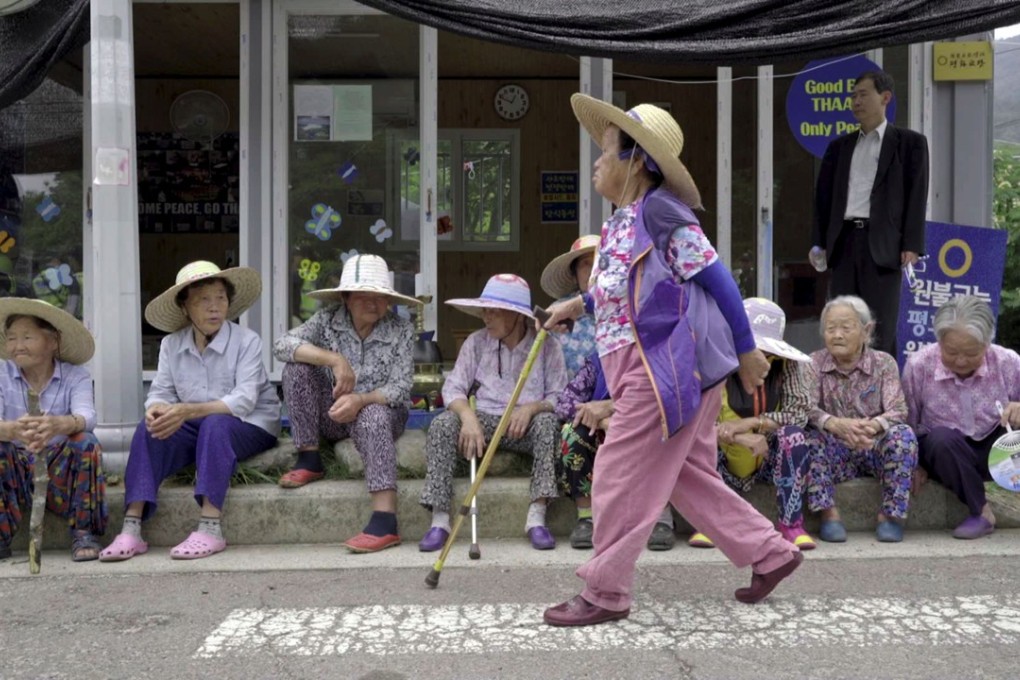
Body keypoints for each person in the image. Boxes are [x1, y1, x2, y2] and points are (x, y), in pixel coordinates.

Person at [542, 95, 801, 627]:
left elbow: (715, 276)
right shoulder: (622, 221)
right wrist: (579, 303)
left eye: (607, 149)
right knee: (683, 474)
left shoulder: (660, 210)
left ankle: (605, 592)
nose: (597, 160)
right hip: (646, 366)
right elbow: (619, 293)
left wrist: (748, 347)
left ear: (638, 160)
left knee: (616, 472)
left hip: (662, 369)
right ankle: (770, 553)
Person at [100, 261, 279, 562]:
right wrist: (157, 410)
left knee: (215, 424)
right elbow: (160, 393)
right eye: (203, 300)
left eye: (220, 298)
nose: (214, 307)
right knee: (149, 429)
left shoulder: (247, 341)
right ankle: (131, 527)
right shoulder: (172, 344)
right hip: (199, 425)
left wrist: (186, 411)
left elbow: (243, 402)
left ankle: (210, 528)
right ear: (185, 308)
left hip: (249, 425)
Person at [274, 254, 418, 553]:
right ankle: (309, 457)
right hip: (335, 412)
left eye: (379, 297)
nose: (373, 303)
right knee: (296, 369)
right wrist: (334, 359)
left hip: (381, 411)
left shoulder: (400, 329)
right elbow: (282, 345)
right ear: (345, 297)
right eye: (363, 296)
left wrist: (362, 399)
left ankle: (385, 519)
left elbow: (402, 387)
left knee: (374, 416)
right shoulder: (327, 319)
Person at [544, 235, 675, 551]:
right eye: (585, 265)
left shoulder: (648, 331)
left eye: (598, 264)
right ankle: (587, 516)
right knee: (573, 432)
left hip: (644, 414)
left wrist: (614, 409)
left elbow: (664, 390)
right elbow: (565, 400)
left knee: (661, 428)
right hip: (597, 421)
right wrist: (596, 415)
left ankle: (661, 515)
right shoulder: (589, 347)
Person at [418, 274, 566, 552]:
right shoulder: (476, 343)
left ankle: (537, 517)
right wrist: (468, 417)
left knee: (547, 423)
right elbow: (453, 389)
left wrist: (531, 408)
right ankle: (439, 520)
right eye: (484, 310)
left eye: (493, 312)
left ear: (516, 316)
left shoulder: (546, 345)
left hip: (526, 423)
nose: (486, 317)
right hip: (483, 418)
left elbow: (559, 396)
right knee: (442, 425)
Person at [811, 69, 929, 356]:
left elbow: (917, 196)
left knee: (880, 323)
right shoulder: (839, 147)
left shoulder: (909, 143)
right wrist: (819, 242)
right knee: (842, 318)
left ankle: (882, 392)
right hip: (844, 241)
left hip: (884, 245)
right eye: (853, 96)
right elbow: (823, 199)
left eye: (863, 94)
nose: (856, 102)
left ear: (885, 97)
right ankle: (840, 385)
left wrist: (911, 246)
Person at [699, 298, 816, 551]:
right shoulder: (713, 362)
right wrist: (738, 436)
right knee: (698, 443)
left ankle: (791, 524)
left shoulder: (787, 365)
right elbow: (694, 422)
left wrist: (756, 424)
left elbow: (799, 413)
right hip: (723, 455)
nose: (760, 355)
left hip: (766, 459)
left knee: (794, 436)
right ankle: (709, 524)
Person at [902, 295, 1020, 539]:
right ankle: (982, 512)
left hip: (996, 448)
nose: (961, 360)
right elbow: (907, 421)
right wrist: (913, 463)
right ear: (939, 340)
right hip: (945, 454)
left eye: (971, 353)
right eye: (951, 352)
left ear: (987, 343)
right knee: (940, 439)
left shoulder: (1009, 362)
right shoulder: (919, 365)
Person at [805, 296, 918, 543]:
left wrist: (873, 426)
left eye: (846, 328)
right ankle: (828, 514)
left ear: (866, 330)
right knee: (807, 439)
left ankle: (890, 516)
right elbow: (805, 407)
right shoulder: (812, 363)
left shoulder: (884, 363)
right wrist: (835, 424)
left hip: (872, 446)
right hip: (834, 451)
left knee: (903, 436)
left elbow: (898, 409)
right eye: (830, 328)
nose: (837, 335)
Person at [0, 298, 105, 561]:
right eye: (11, 338)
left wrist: (60, 424)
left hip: (58, 472)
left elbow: (87, 417)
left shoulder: (75, 375)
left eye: (27, 337)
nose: (18, 346)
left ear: (53, 342)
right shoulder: (1, 373)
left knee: (86, 441)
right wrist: (12, 431)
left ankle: (84, 532)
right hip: (14, 474)